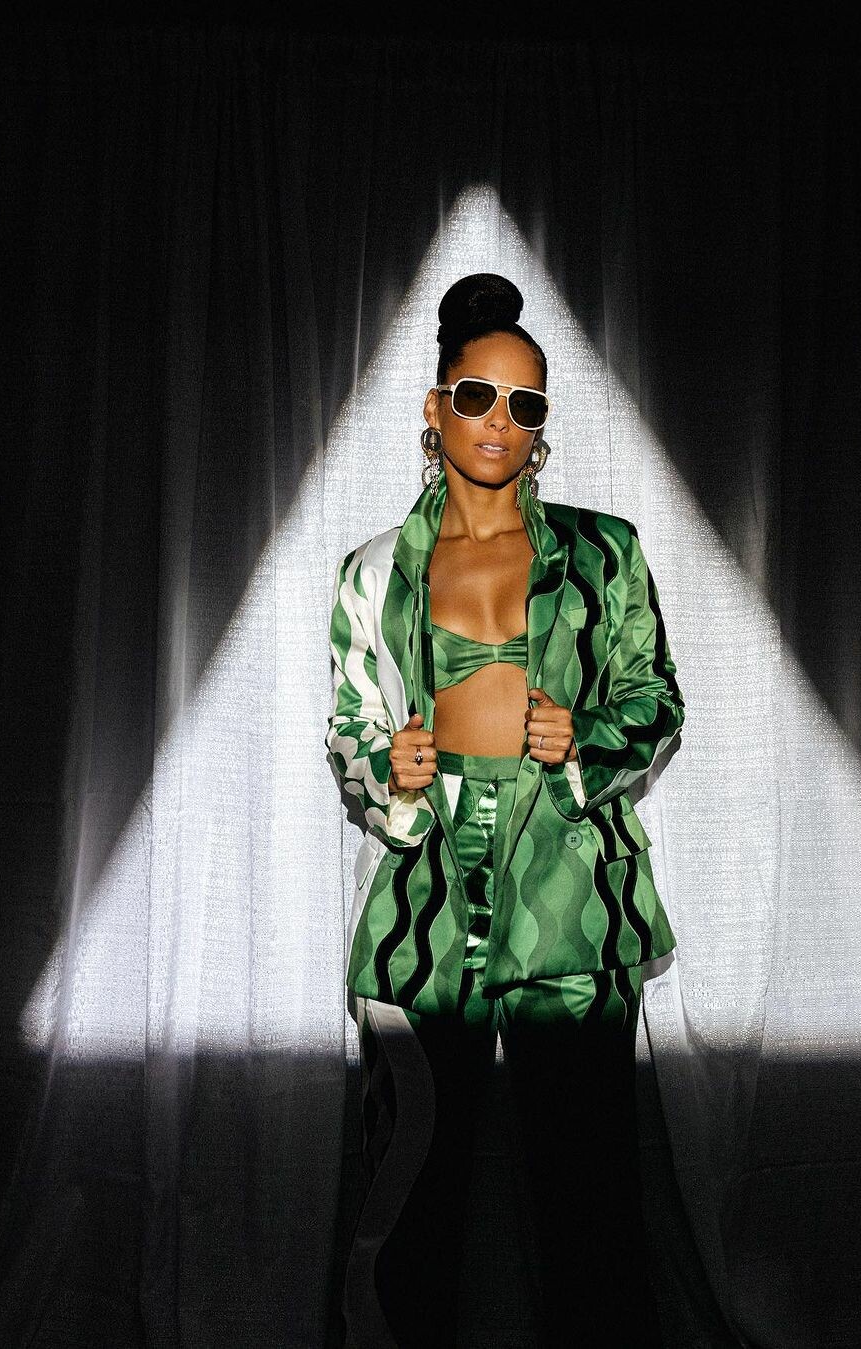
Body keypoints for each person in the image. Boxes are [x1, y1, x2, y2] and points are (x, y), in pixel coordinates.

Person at [326, 272, 684, 1348]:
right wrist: (387, 766)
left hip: (572, 890)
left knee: (589, 1192)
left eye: (525, 403)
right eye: (477, 395)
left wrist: (588, 740)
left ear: (542, 426)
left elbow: (657, 699)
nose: (499, 420)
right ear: (435, 408)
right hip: (428, 900)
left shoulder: (605, 551)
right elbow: (347, 726)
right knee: (411, 1187)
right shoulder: (370, 572)